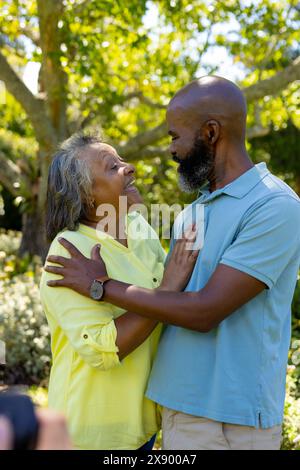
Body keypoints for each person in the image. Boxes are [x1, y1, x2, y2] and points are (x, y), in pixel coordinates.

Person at [45, 76, 300, 450]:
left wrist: (102, 287)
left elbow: (203, 310)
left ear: (211, 133)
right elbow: (164, 300)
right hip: (170, 414)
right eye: (112, 167)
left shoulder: (273, 207)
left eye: (175, 136)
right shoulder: (190, 215)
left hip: (234, 418)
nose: (170, 149)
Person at [40, 134, 198, 450]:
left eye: (122, 160)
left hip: (142, 424)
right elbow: (103, 350)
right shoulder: (69, 252)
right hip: (90, 434)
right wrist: (167, 289)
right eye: (113, 167)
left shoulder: (138, 227)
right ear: (86, 196)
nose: (131, 169)